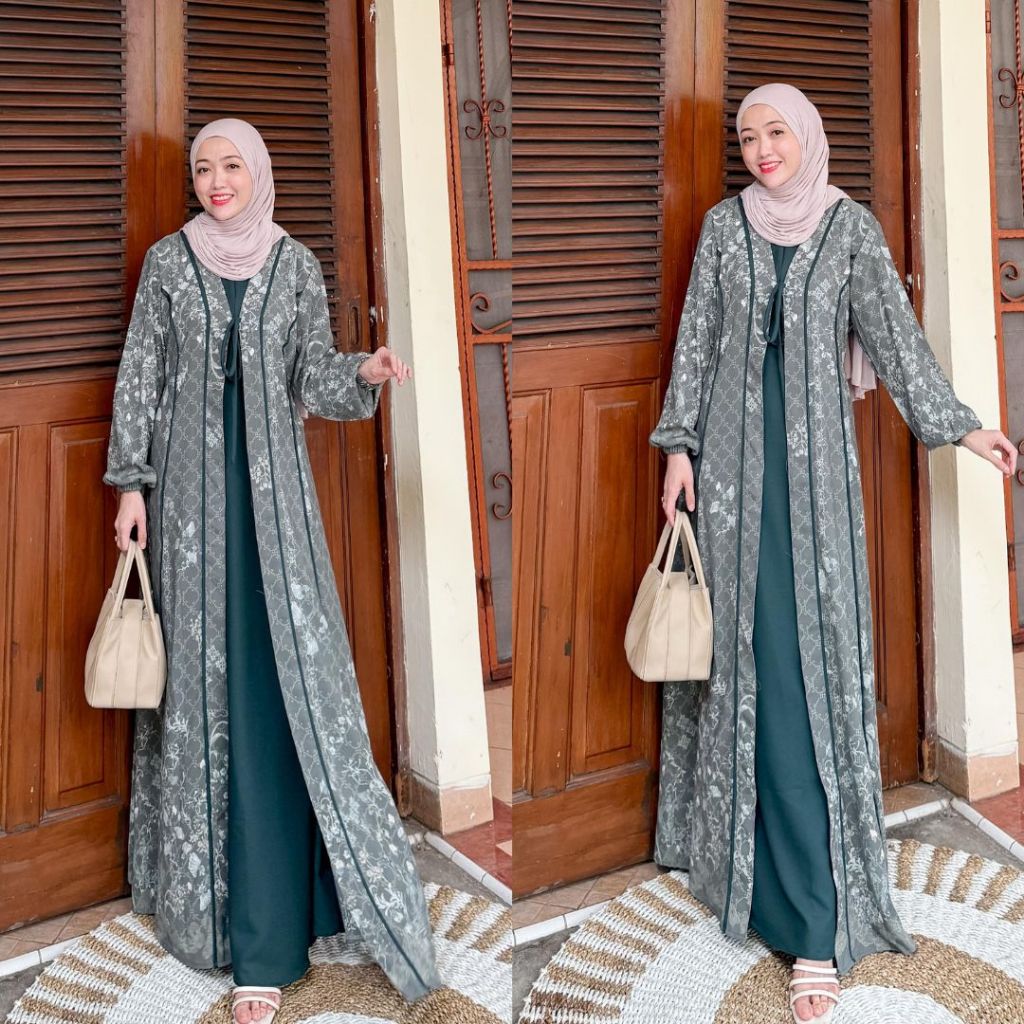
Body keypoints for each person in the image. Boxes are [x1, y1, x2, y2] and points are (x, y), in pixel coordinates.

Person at [649, 83, 1017, 1024]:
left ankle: (815, 917)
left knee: (804, 678)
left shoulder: (850, 231)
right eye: (748, 137)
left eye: (777, 132)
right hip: (729, 492)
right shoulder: (723, 230)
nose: (762, 149)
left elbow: (894, 339)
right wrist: (678, 450)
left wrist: (962, 427)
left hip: (814, 501)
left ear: (807, 137)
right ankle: (755, 873)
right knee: (747, 669)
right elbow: (696, 342)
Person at [104, 118, 441, 1023]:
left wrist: (363, 371)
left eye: (231, 166)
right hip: (186, 511)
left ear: (258, 172)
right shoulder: (168, 265)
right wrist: (130, 485)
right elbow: (139, 376)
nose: (217, 181)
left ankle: (286, 916)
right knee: (206, 692)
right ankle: (218, 915)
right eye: (203, 168)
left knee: (281, 691)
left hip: (276, 512)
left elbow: (310, 377)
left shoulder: (293, 265)